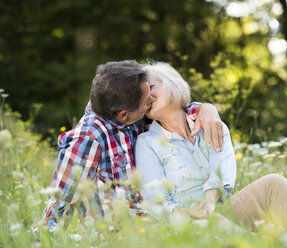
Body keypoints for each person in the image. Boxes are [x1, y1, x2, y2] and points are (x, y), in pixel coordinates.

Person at [135, 62, 287, 228]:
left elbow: (222, 169)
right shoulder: (147, 143)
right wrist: (190, 214)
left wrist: (209, 204)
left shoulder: (212, 124)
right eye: (141, 96)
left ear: (172, 84)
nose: (147, 97)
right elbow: (154, 200)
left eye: (150, 87)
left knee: (274, 183)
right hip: (187, 226)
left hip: (220, 210)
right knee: (218, 224)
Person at [42, 60, 224, 228]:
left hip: (158, 223)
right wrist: (42, 239)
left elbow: (173, 110)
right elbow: (61, 200)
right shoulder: (88, 139)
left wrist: (205, 109)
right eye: (147, 103)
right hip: (118, 234)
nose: (151, 101)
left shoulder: (127, 102)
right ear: (124, 115)